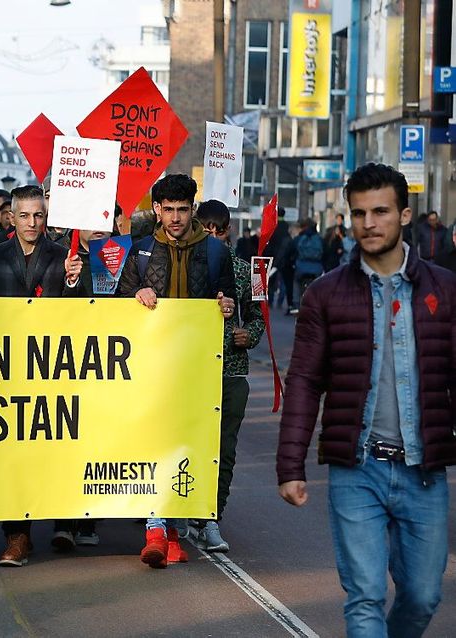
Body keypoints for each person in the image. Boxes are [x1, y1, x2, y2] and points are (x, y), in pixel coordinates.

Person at [277, 163, 456, 636]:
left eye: (380, 212)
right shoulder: (326, 294)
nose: (368, 224)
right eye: (359, 214)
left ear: (404, 215)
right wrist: (290, 466)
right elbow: (304, 381)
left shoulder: (444, 289)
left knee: (422, 596)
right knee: (365, 599)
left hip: (424, 473)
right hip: (358, 470)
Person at [117, 173, 236, 569]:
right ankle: (156, 525)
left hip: (198, 366)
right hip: (152, 365)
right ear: (156, 209)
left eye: (182, 210)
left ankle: (175, 525)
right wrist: (136, 294)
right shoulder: (141, 251)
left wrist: (226, 307)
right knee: (155, 440)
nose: (174, 217)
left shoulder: (215, 253)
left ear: (193, 210)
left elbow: (228, 298)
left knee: (191, 443)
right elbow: (118, 306)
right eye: (167, 209)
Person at [0, 185, 74, 567]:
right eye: (25, 216)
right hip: (8, 370)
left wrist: (71, 281)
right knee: (11, 454)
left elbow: (85, 311)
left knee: (51, 448)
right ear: (11, 218)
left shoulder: (65, 257)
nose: (32, 223)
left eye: (39, 215)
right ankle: (17, 536)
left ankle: (65, 519)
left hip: (53, 369)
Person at [195, 200, 264, 552]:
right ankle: (182, 509)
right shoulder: (188, 268)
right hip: (190, 372)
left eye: (219, 231)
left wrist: (248, 335)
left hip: (231, 370)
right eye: (206, 231)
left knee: (224, 449)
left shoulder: (247, 273)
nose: (214, 237)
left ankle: (211, 516)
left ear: (228, 232)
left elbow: (257, 317)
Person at [289, 218, 324, 304]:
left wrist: (292, 261)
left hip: (301, 268)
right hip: (316, 269)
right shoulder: (320, 239)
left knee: (296, 283)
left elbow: (291, 252)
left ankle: (295, 304)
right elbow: (325, 253)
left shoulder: (299, 238)